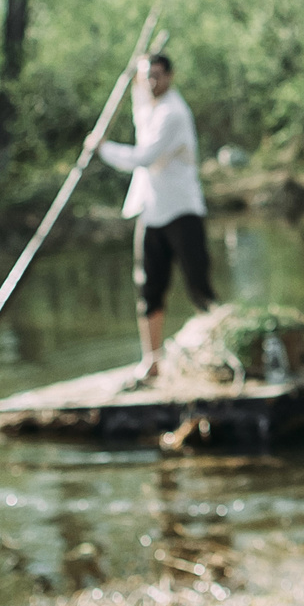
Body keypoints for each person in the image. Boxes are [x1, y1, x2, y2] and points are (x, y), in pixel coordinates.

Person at [98, 52, 213, 384]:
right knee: (148, 287)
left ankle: (217, 348)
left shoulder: (173, 114)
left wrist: (103, 148)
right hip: (150, 210)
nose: (151, 82)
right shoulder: (147, 107)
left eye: (157, 75)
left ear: (170, 76)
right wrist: (132, 73)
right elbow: (137, 99)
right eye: (147, 76)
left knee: (198, 285)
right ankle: (152, 360)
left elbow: (146, 156)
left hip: (181, 209)